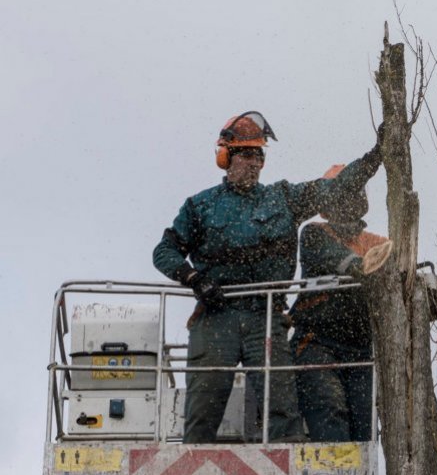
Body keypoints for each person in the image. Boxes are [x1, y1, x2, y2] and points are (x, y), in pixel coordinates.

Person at [153, 112, 383, 443]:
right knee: (204, 407)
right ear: (226, 158)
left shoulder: (284, 199)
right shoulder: (201, 207)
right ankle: (193, 466)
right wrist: (193, 278)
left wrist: (376, 155)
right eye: (247, 154)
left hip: (267, 315)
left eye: (259, 155)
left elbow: (336, 187)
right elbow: (165, 251)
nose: (254, 163)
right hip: (217, 316)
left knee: (282, 410)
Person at [290, 164, 393, 442]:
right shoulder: (314, 234)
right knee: (329, 408)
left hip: (359, 348)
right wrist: (360, 266)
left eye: (352, 191)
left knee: (364, 426)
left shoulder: (376, 242)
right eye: (342, 192)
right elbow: (336, 257)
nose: (348, 199)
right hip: (317, 344)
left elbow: (395, 262)